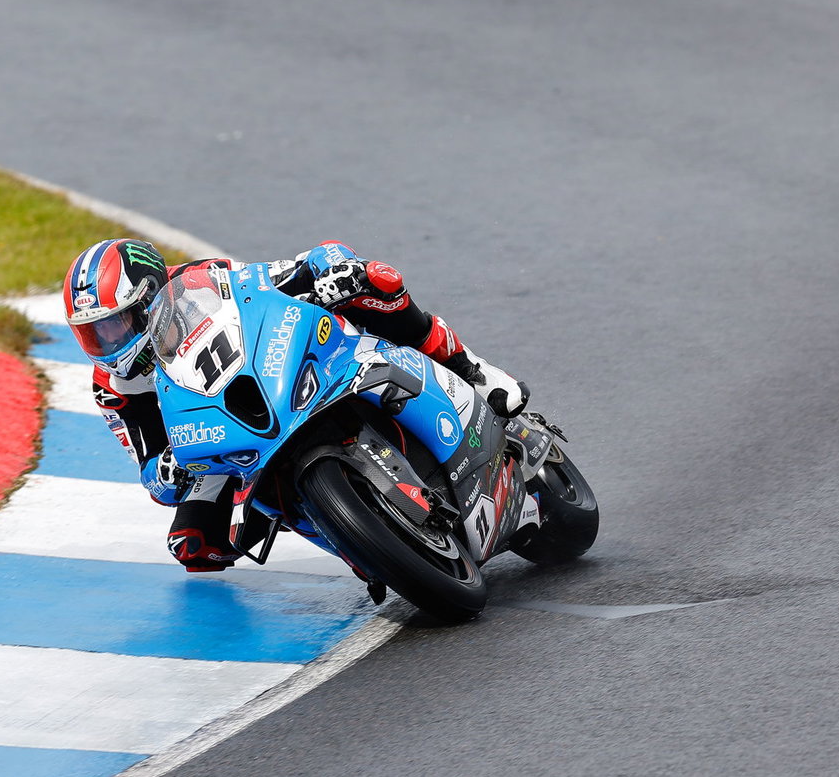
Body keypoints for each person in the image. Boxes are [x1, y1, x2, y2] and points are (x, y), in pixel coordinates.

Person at [61, 237, 528, 573]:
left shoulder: (202, 282)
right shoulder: (114, 388)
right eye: (92, 333)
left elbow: (289, 273)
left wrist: (326, 271)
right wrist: (168, 471)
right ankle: (332, 526)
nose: (106, 344)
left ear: (149, 301)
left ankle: (472, 371)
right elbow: (149, 473)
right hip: (219, 434)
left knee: (374, 283)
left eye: (114, 326)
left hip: (277, 374)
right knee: (193, 546)